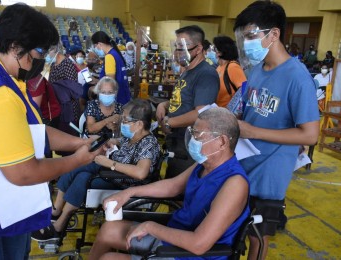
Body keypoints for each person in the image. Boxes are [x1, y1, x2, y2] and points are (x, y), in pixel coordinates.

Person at [0, 4, 103, 259]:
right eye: (39, 52)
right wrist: (76, 161)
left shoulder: (0, 73)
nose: (42, 60)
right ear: (16, 46)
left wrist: (78, 142)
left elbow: (33, 130)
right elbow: (24, 172)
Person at [89, 107, 250, 260]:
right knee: (108, 230)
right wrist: (129, 192)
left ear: (222, 142)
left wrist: (150, 227)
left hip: (191, 254)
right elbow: (173, 186)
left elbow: (199, 244)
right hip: (174, 235)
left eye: (198, 135)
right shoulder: (204, 164)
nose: (193, 140)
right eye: (192, 133)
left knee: (108, 258)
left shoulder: (234, 184)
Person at [233, 2, 320, 259]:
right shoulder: (257, 71)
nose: (247, 43)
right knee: (236, 229)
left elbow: (309, 135)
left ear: (273, 34)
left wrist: (253, 131)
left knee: (258, 236)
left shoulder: (298, 77)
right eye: (244, 37)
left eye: (251, 36)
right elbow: (251, 112)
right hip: (246, 161)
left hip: (270, 172)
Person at [31, 99, 160, 242]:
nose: (122, 123)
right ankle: (57, 210)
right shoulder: (133, 137)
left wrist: (111, 163)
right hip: (113, 174)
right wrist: (110, 142)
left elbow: (141, 173)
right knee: (78, 165)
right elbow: (120, 142)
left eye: (125, 120)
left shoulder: (148, 143)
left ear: (139, 124)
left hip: (125, 183)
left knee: (83, 177)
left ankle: (59, 224)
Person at [156, 25, 219, 179]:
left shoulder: (206, 74)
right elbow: (182, 100)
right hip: (177, 140)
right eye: (176, 47)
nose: (178, 53)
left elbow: (202, 113)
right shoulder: (187, 70)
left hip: (189, 143)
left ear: (198, 49)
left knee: (180, 189)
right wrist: (164, 105)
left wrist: (170, 122)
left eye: (182, 47)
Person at [91, 31, 131, 105]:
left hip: (117, 98)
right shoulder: (115, 53)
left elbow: (110, 82)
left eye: (94, 46)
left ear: (99, 44)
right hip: (124, 94)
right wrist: (97, 80)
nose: (95, 49)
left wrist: (95, 86)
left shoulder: (109, 57)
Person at [213, 36, 247, 108]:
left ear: (220, 52)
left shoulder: (233, 67)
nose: (213, 51)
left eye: (214, 49)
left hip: (228, 114)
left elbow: (243, 91)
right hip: (217, 110)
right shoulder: (219, 67)